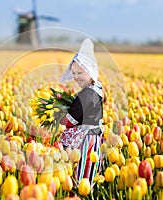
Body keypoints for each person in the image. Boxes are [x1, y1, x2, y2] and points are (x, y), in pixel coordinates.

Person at [59, 38, 106, 186]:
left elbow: (70, 121)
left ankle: (80, 191)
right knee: (88, 172)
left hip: (85, 140)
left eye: (80, 73)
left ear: (90, 72)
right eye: (73, 73)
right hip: (94, 137)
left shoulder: (86, 96)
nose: (76, 77)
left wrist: (57, 117)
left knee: (81, 174)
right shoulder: (97, 89)